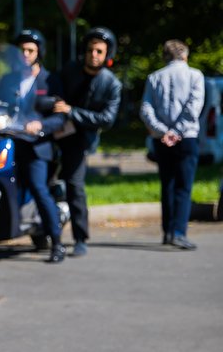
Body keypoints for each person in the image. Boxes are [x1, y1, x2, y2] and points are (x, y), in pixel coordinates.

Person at [51, 27, 122, 257]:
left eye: (99, 51)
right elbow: (54, 92)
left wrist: (72, 112)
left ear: (107, 54)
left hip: (81, 139)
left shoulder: (111, 84)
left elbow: (107, 119)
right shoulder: (69, 70)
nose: (94, 55)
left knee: (75, 185)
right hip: (54, 131)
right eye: (91, 50)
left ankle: (80, 238)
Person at [139, 40, 205, 250]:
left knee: (167, 184)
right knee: (183, 187)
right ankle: (178, 232)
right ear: (185, 56)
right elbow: (193, 108)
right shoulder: (195, 75)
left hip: (161, 139)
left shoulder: (154, 77)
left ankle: (167, 231)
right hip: (186, 138)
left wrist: (163, 131)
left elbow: (146, 110)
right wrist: (176, 132)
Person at [13, 29, 68, 263]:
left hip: (37, 146)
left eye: (30, 50)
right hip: (11, 141)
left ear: (39, 53)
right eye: (22, 50)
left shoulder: (51, 80)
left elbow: (61, 117)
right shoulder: (8, 79)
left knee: (38, 187)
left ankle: (56, 243)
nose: (25, 54)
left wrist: (41, 125)